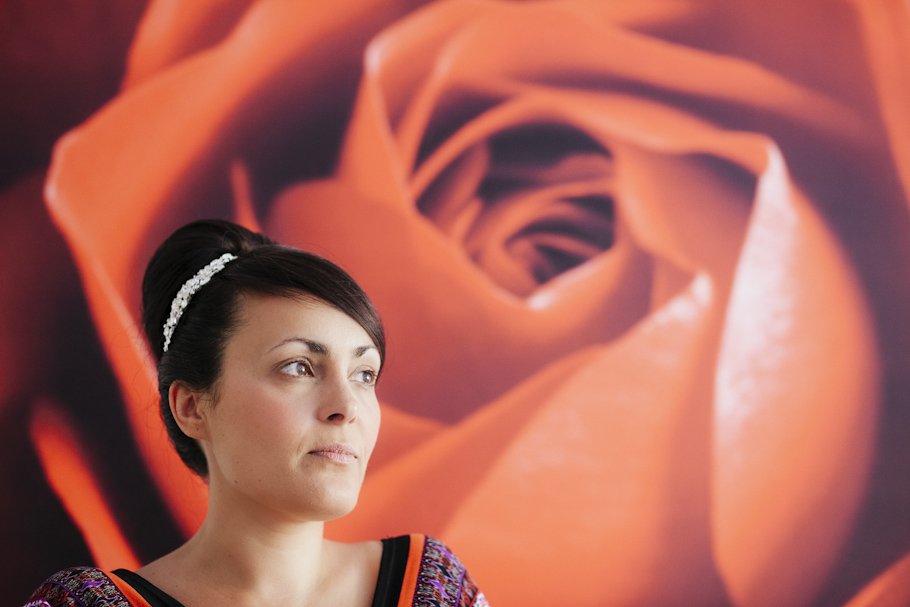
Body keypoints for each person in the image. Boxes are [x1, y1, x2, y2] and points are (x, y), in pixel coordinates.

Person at [24, 219, 489, 607]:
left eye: (364, 374)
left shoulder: (433, 589)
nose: (347, 408)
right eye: (298, 367)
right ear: (192, 407)